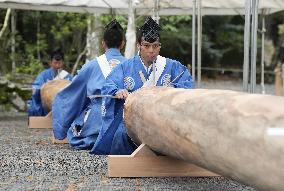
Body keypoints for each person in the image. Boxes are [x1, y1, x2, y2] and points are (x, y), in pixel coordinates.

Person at [90, 17, 194, 155]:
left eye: (155, 46)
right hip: (134, 121)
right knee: (120, 136)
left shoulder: (172, 66)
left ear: (160, 46)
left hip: (163, 119)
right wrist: (117, 91)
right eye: (146, 46)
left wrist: (172, 89)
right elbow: (109, 84)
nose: (151, 50)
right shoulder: (125, 67)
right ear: (139, 45)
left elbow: (187, 84)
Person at [52, 19, 126, 150]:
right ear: (122, 44)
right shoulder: (132, 65)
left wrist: (61, 129)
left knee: (79, 129)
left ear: (103, 43)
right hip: (126, 122)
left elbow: (73, 95)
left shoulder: (91, 66)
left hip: (96, 122)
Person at [27, 49, 72, 116]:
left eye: (59, 63)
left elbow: (74, 89)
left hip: (63, 104)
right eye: (55, 63)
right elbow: (36, 87)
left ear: (62, 63)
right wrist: (44, 87)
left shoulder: (67, 76)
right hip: (46, 105)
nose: (57, 66)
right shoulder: (44, 75)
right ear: (50, 63)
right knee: (33, 105)